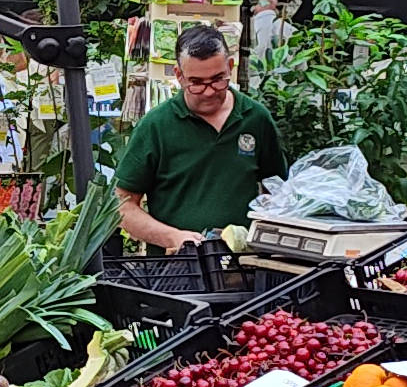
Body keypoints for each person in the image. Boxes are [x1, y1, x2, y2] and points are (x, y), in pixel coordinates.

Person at [114, 26, 285, 248]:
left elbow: (278, 191)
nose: (209, 91)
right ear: (179, 76)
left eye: (218, 79)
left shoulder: (255, 118)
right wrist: (172, 237)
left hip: (244, 266)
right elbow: (122, 205)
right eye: (196, 82)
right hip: (177, 272)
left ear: (230, 67)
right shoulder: (156, 125)